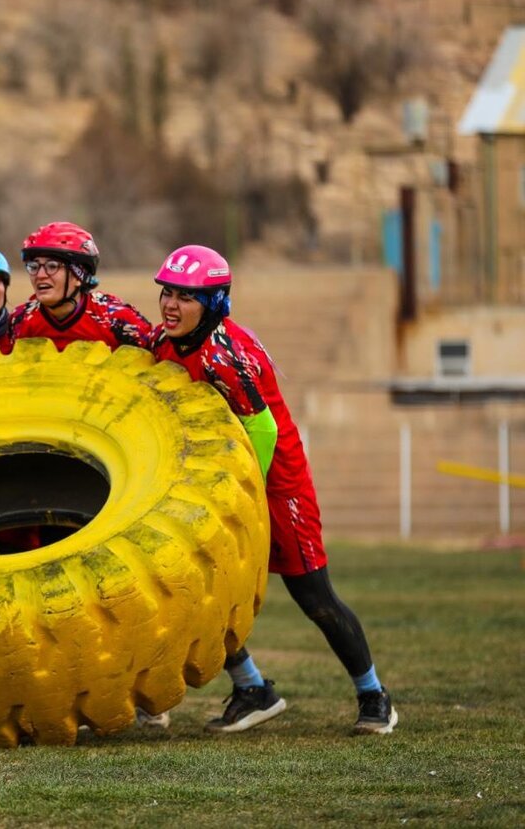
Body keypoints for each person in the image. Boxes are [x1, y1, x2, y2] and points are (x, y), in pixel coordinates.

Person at [149, 244, 397, 736]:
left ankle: (375, 696)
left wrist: (245, 497)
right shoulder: (165, 342)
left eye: (186, 296)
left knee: (314, 596)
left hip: (275, 482)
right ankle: (253, 689)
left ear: (215, 302)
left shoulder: (225, 353)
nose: (171, 305)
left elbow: (262, 431)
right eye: (167, 293)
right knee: (204, 590)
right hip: (218, 482)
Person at [9, 221, 152, 352]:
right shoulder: (20, 321)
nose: (40, 275)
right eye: (33, 266)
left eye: (52, 266)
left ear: (78, 275)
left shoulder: (117, 320)